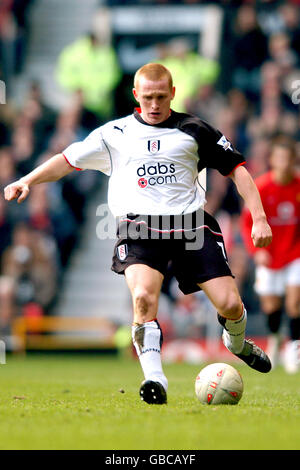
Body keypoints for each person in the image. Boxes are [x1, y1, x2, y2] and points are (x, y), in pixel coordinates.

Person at [4, 63, 273, 405]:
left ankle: (235, 343)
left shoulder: (196, 129)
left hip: (190, 225)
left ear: (173, 93)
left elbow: (238, 170)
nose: (155, 104)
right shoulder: (113, 133)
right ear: (136, 95)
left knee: (231, 305)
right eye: (148, 97)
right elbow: (67, 160)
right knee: (143, 298)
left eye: (162, 96)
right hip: (139, 228)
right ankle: (154, 380)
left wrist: (259, 218)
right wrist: (26, 180)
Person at [241, 136, 300, 374]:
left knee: (295, 303)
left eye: (288, 158)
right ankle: (275, 339)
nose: (284, 163)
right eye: (280, 158)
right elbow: (247, 224)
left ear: (293, 160)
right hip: (269, 255)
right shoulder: (262, 187)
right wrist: (256, 251)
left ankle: (294, 349)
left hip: (295, 254)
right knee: (271, 307)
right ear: (273, 160)